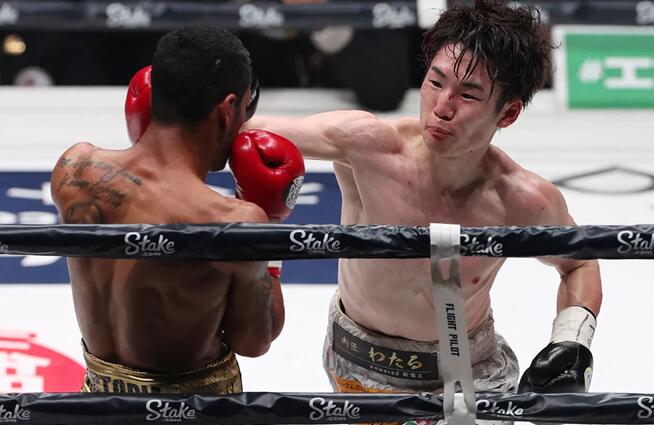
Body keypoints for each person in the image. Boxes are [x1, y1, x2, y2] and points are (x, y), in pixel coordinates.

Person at [244, 0, 602, 421]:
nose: (442, 107)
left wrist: (571, 342)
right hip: (359, 361)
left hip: (469, 371)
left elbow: (580, 264)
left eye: (468, 95)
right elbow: (236, 128)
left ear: (507, 113)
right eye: (435, 82)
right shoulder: (366, 145)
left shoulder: (521, 198)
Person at [50, 25, 304, 394]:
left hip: (97, 405)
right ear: (228, 109)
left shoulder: (75, 167)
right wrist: (271, 223)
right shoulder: (233, 221)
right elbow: (255, 339)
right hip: (194, 410)